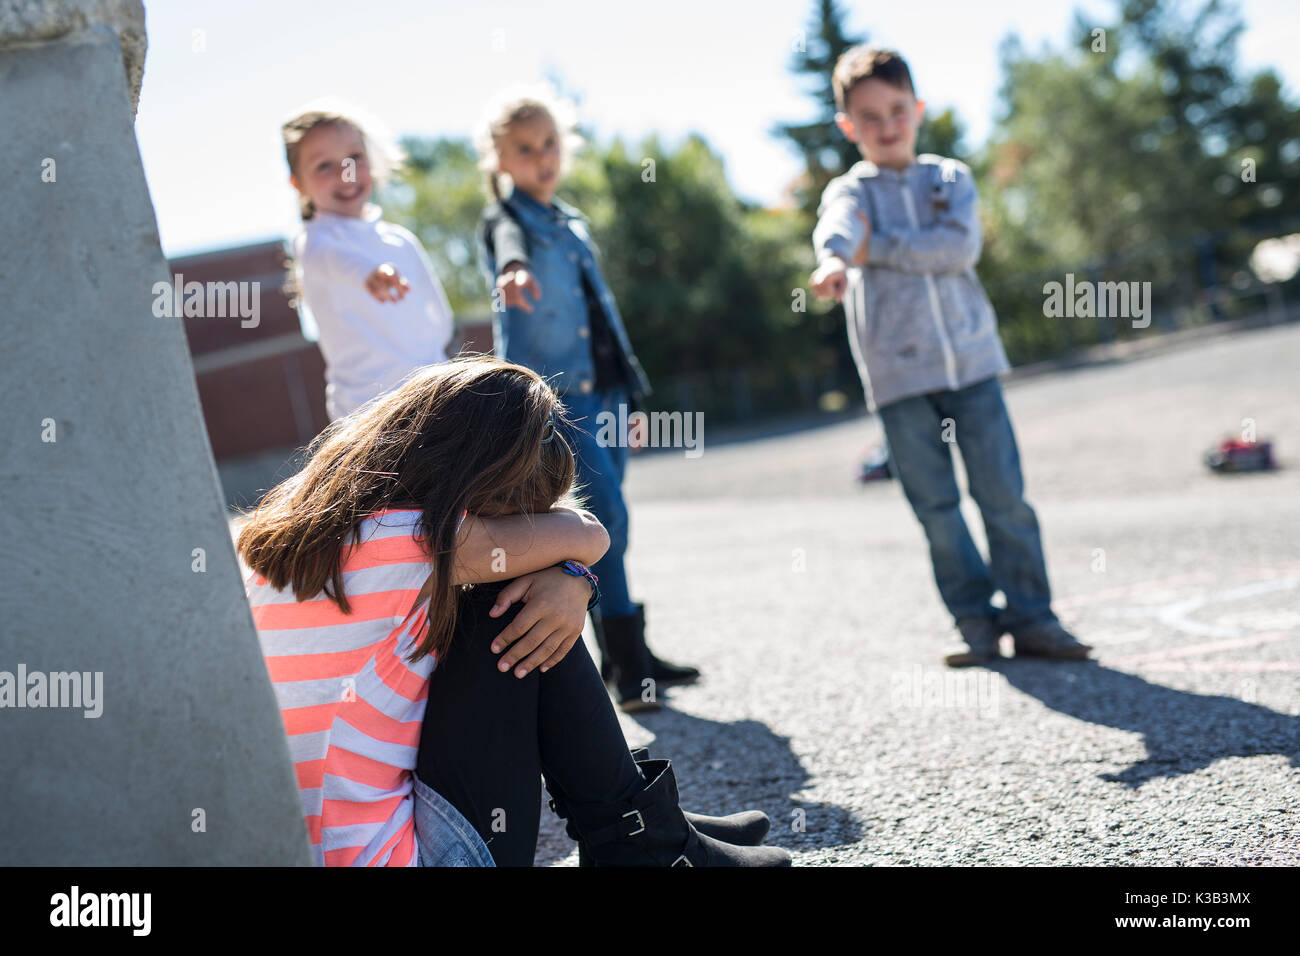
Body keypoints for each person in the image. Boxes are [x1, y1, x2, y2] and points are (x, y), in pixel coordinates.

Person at [239, 357, 789, 866]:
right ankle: (645, 842)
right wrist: (568, 575)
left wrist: (567, 576)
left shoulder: (296, 537)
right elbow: (590, 535)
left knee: (514, 589)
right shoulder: (420, 541)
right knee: (512, 604)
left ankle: (649, 827)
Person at [809, 46, 1091, 668]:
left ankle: (1033, 616)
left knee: (1004, 496)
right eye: (869, 116)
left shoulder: (950, 177)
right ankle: (974, 620)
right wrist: (836, 258)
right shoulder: (850, 191)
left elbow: (958, 248)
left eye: (897, 110)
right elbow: (838, 231)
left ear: (918, 109)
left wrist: (876, 247)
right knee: (935, 506)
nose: (886, 125)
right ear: (848, 126)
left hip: (972, 367)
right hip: (899, 378)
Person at [473, 87, 700, 711]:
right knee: (604, 522)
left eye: (550, 144)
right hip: (561, 398)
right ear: (500, 157)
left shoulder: (572, 222)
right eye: (525, 148)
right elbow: (508, 253)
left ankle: (633, 651)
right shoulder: (508, 220)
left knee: (615, 521)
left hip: (607, 390)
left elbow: (599, 313)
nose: (541, 157)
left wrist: (626, 391)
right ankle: (624, 666)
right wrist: (513, 274)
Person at [282, 106, 454, 421]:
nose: (344, 174)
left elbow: (439, 318)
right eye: (324, 166)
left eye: (354, 158)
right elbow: (336, 262)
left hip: (434, 401)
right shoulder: (313, 240)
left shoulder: (399, 240)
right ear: (299, 184)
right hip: (368, 417)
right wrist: (369, 273)